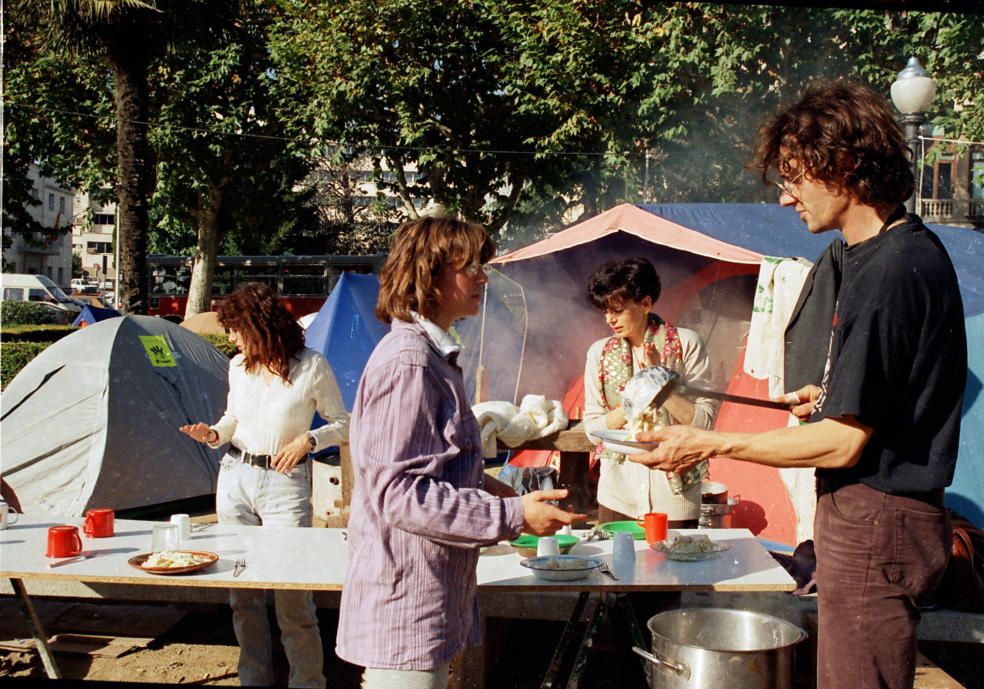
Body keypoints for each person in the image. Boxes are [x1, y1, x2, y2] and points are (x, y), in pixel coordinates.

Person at [629, 82, 966, 689]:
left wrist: (707, 443)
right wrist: (831, 392)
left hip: (877, 520)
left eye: (794, 178)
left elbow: (842, 444)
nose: (785, 198)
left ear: (841, 167)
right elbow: (886, 398)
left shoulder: (892, 270)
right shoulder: (873, 256)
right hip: (867, 520)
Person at [335, 216, 587, 689]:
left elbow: (445, 471)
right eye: (469, 266)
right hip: (405, 599)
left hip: (428, 591)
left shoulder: (432, 357)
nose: (482, 276)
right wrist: (511, 517)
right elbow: (402, 494)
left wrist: (514, 501)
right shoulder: (409, 363)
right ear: (429, 276)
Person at [180, 282, 349, 689]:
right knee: (242, 592)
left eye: (236, 329)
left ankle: (307, 681)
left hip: (285, 485)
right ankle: (253, 678)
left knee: (292, 592)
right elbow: (232, 419)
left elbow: (345, 423)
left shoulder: (312, 366)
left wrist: (308, 440)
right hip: (235, 477)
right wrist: (213, 434)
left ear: (257, 326)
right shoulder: (238, 366)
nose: (231, 338)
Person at [581, 257, 718, 528]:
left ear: (645, 304)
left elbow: (704, 421)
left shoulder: (686, 344)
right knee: (618, 567)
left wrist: (659, 381)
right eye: (605, 311)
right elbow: (592, 427)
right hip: (618, 492)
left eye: (617, 310)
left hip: (675, 495)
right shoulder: (599, 353)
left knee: (674, 567)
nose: (610, 319)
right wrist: (634, 401)